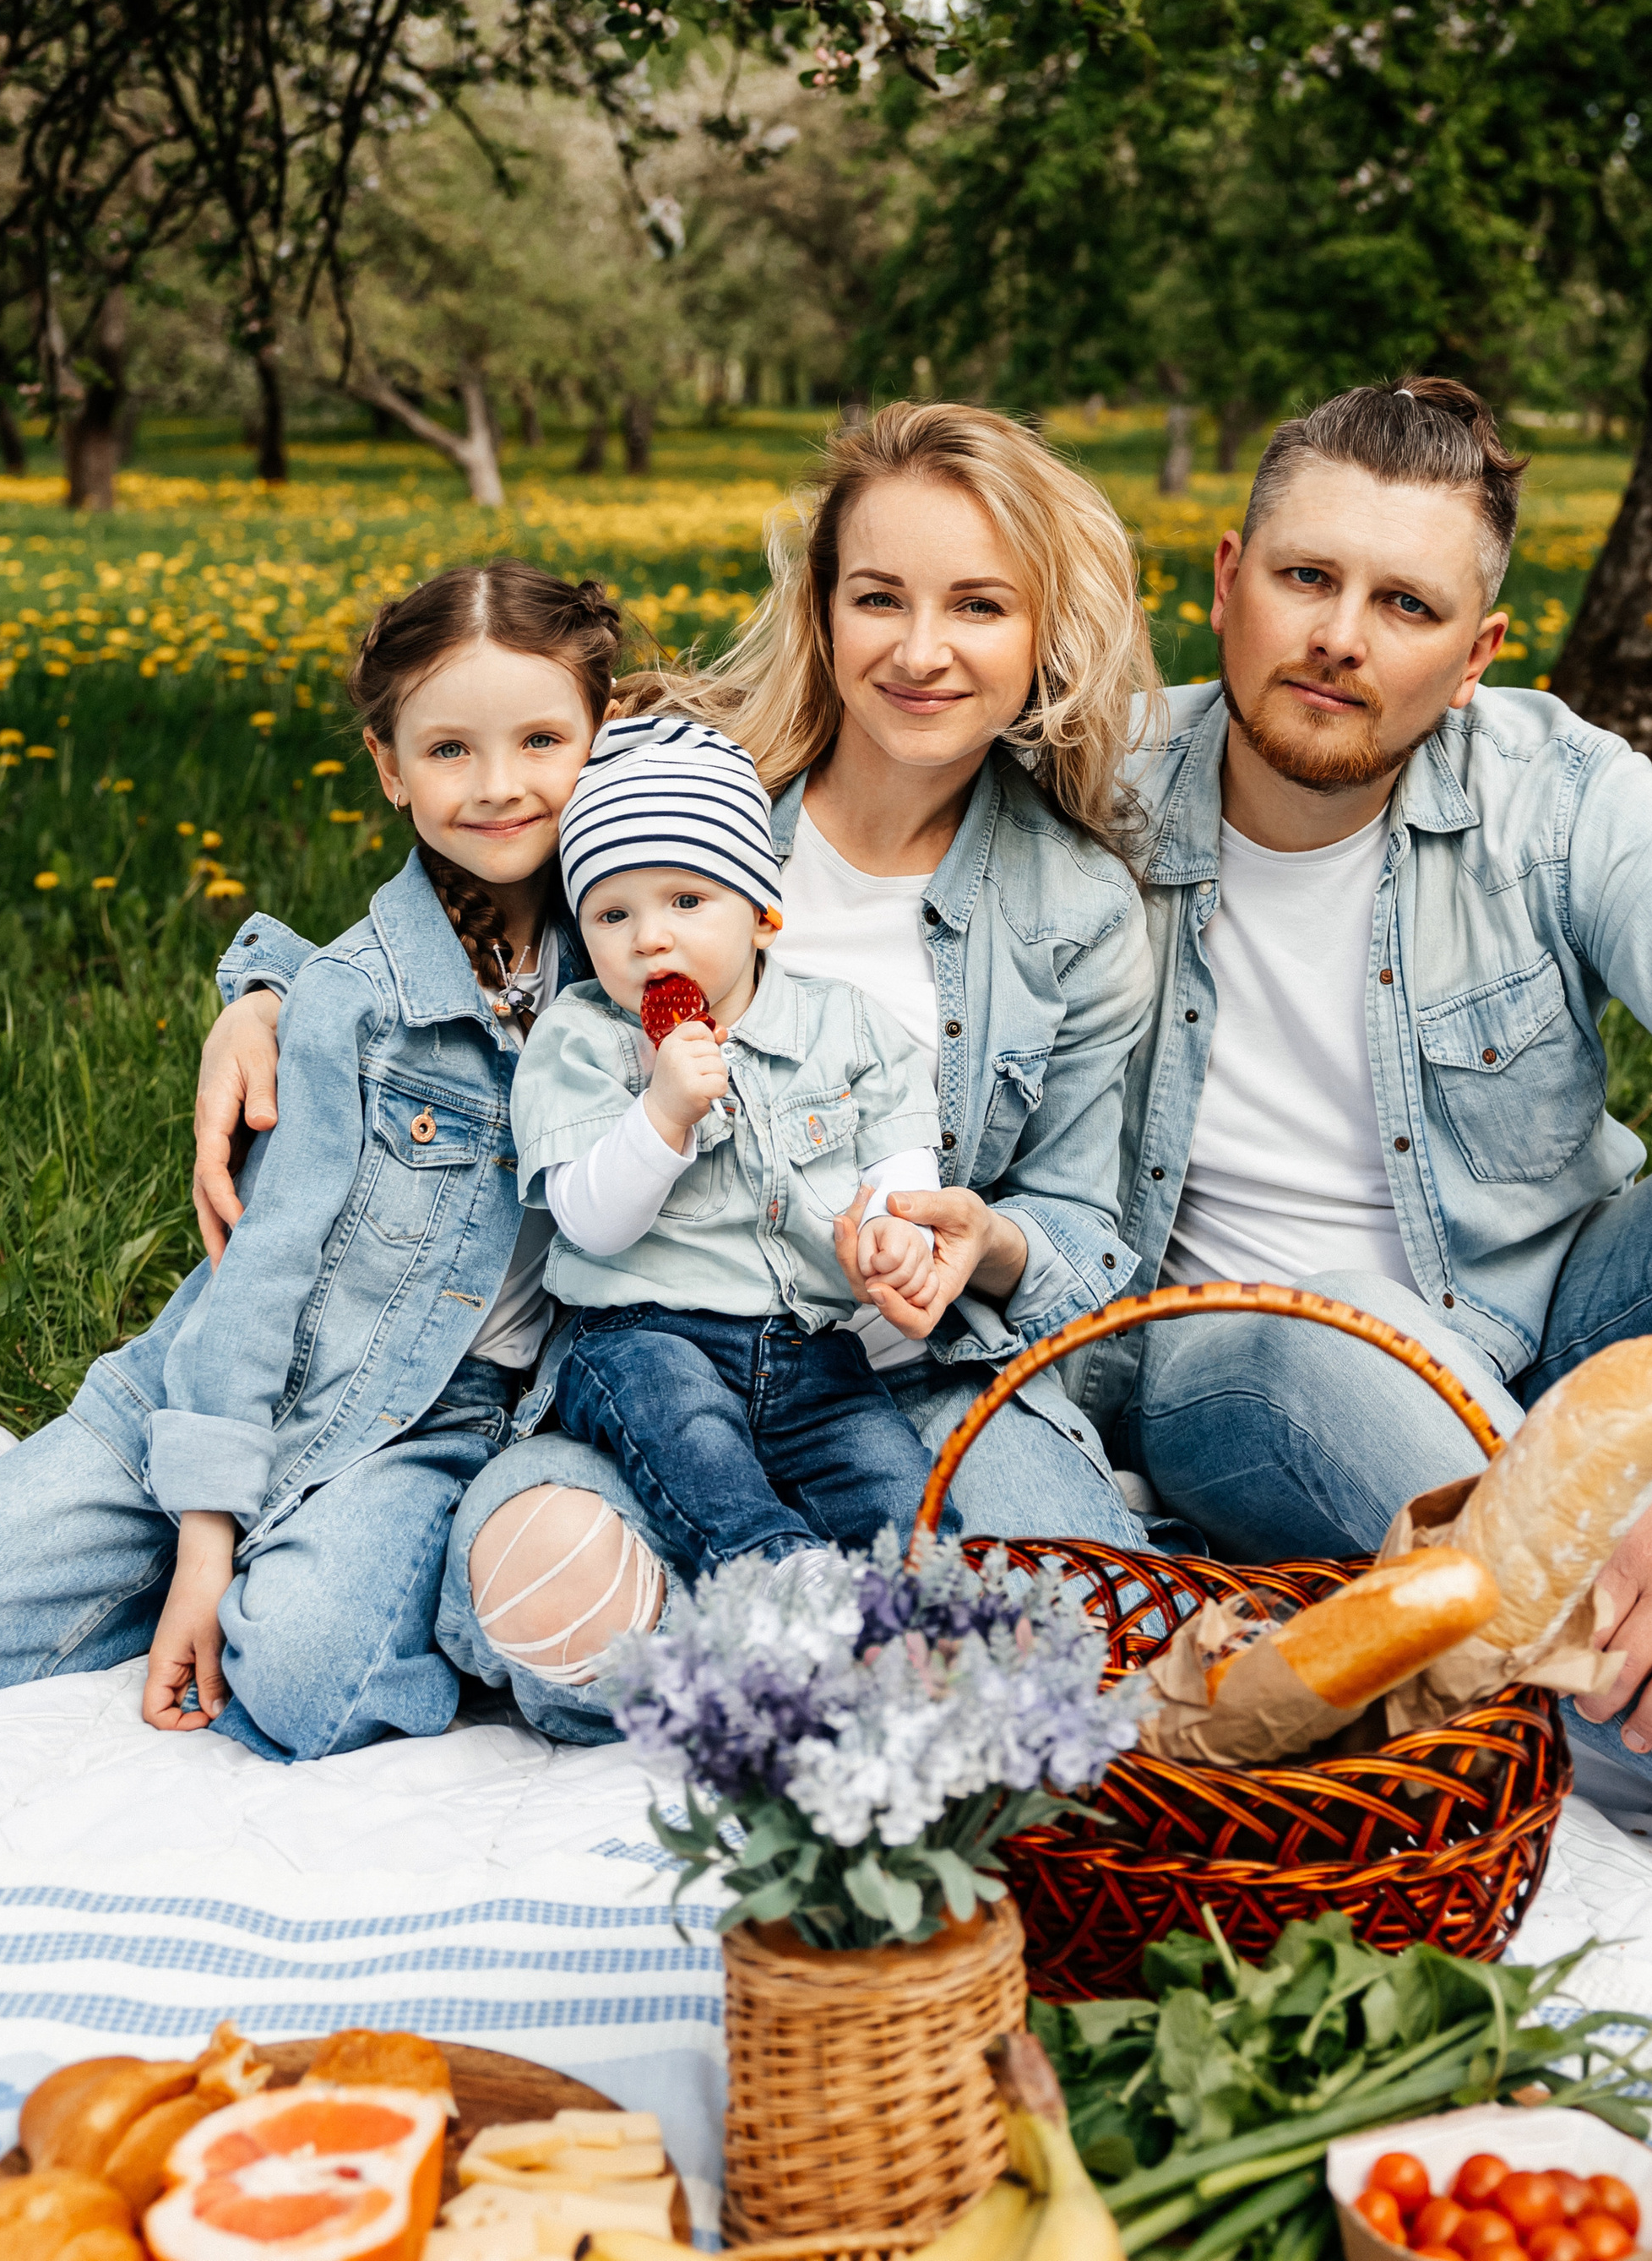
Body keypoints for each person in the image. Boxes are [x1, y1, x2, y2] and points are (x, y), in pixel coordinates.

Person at [1083, 374, 1652, 1970]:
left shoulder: (1553, 791)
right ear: (1225, 579)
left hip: (1545, 1309)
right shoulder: (1081, 794)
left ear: (1477, 653)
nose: (1340, 637)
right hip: (1250, 1364)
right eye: (1307, 579)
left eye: (1405, 602)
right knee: (1346, 1332)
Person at [193, 400, 1159, 1738]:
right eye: (879, 597)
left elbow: (1086, 1235)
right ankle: (698, 1630)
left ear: (1042, 631)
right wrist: (269, 988)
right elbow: (460, 880)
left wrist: (980, 1243)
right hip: (642, 1347)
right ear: (822, 610)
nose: (923, 651)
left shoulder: (1075, 907)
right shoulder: (678, 777)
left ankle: (778, 1652)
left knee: (1076, 1639)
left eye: (981, 607)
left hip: (914, 1376)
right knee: (552, 1582)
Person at [0, 561, 627, 1758]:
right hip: (209, 1384)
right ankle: (193, 1567)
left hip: (422, 1422)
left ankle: (344, 1579)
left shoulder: (638, 949)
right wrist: (207, 1533)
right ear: (388, 767)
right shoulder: (351, 997)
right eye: (450, 750)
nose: (501, 785)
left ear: (601, 738)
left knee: (308, 1688)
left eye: (540, 740)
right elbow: (258, 1285)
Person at [518, 710, 954, 1578]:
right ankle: (774, 1576)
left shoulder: (841, 1025)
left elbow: (899, 1158)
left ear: (761, 916)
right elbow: (587, 1222)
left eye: (687, 900)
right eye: (611, 913)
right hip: (643, 1334)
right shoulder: (581, 1040)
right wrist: (663, 1115)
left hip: (812, 1348)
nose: (650, 937)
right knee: (686, 1437)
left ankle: (918, 1607)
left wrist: (894, 1234)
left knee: (894, 1483)